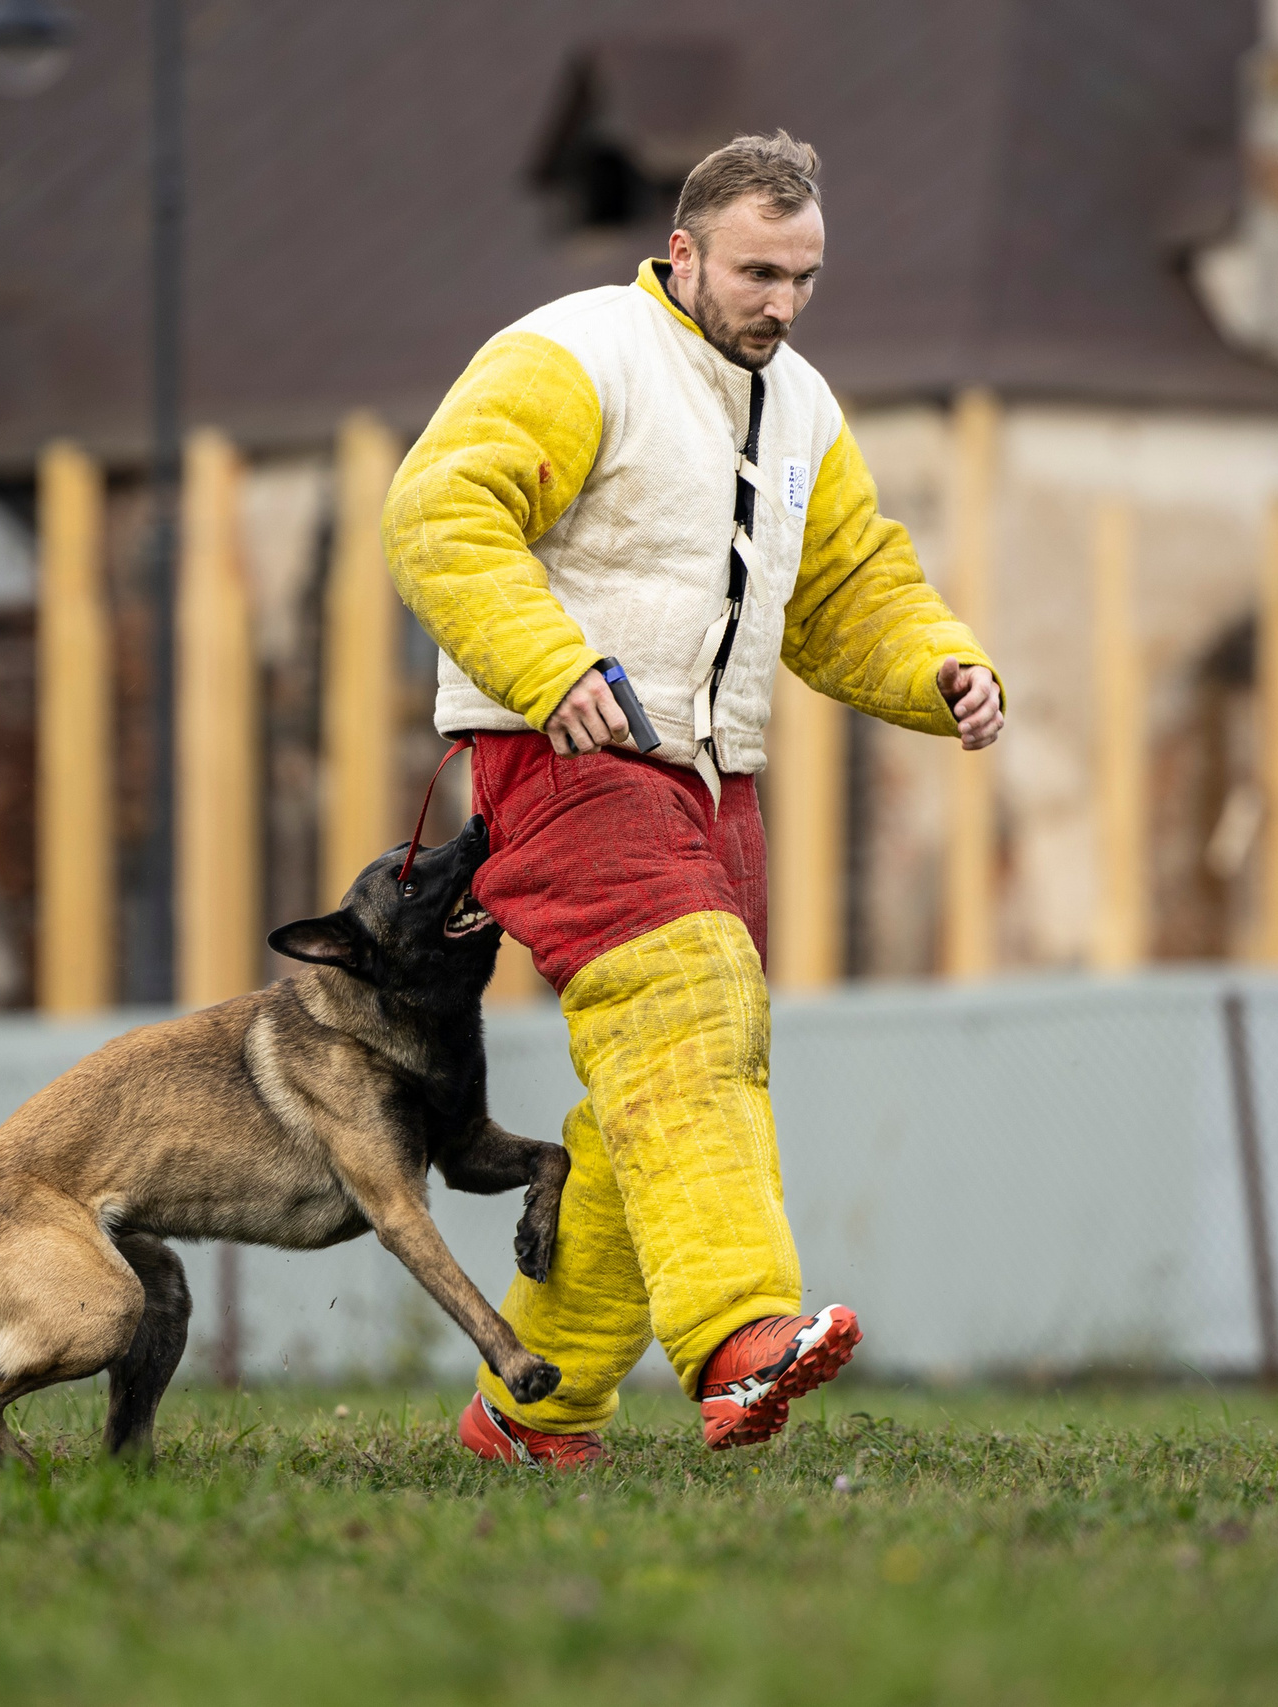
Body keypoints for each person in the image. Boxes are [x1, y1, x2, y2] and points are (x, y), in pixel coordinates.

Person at [384, 131, 1004, 1467]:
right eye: (757, 272)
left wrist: (941, 667)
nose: (782, 303)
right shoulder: (575, 353)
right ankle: (738, 1337)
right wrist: (555, 671)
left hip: (717, 780)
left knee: (654, 1084)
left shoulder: (806, 411)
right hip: (562, 749)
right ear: (684, 251)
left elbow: (846, 591)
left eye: (806, 277)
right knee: (690, 1006)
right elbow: (440, 511)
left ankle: (530, 1412)